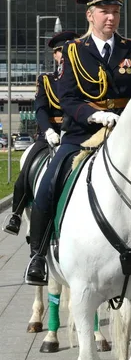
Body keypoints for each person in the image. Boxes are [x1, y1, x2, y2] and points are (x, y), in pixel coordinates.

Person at [25, 0, 131, 285]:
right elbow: (67, 98)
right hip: (82, 135)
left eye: (116, 11)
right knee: (49, 184)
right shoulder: (72, 52)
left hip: (125, 135)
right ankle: (38, 255)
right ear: (89, 15)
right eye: (104, 11)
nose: (111, 17)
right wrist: (95, 115)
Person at [3, 30, 79, 237]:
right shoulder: (46, 80)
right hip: (50, 134)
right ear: (54, 56)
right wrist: (48, 131)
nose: (62, 55)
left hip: (77, 133)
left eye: (67, 51)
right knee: (28, 166)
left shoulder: (85, 79)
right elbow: (41, 108)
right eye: (58, 52)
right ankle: (16, 213)